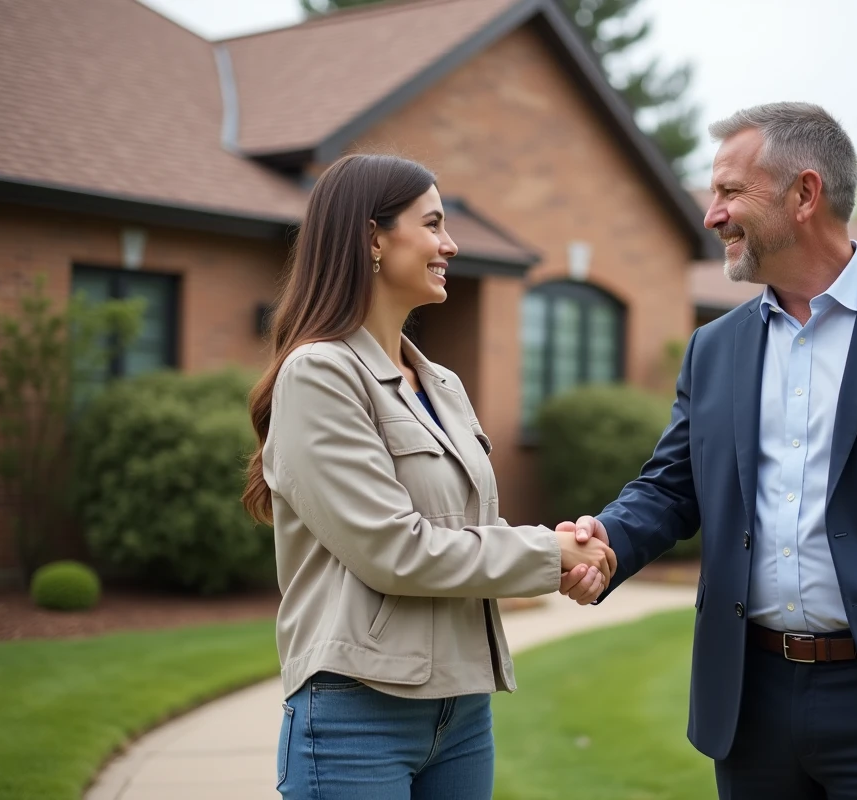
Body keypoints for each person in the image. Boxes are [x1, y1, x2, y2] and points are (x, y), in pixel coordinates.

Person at [558, 103, 857, 799]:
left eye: (729, 192)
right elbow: (672, 487)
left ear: (804, 195)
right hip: (748, 701)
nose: (712, 216)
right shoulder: (715, 346)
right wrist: (608, 539)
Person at [241, 153, 615, 800]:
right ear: (372, 237)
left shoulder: (441, 385)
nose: (451, 243)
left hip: (464, 712)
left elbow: (473, 533)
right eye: (434, 223)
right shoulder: (320, 376)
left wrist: (562, 563)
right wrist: (546, 553)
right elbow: (395, 549)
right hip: (356, 714)